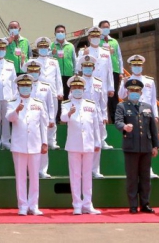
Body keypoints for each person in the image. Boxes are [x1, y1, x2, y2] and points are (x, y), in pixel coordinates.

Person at [114, 78, 159, 214]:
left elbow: (153, 129)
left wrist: (155, 146)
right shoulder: (122, 106)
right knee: (132, 178)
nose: (134, 93)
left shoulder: (147, 107)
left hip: (146, 146)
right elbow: (118, 121)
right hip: (131, 147)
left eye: (137, 91)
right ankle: (133, 205)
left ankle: (145, 204)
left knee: (145, 177)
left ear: (141, 92)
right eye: (132, 91)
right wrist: (124, 127)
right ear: (127, 92)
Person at [6, 75, 48, 215]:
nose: (25, 88)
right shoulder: (12, 102)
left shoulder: (38, 103)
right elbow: (9, 118)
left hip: (35, 144)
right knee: (20, 177)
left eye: (27, 85)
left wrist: (44, 142)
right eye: (22, 85)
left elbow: (43, 124)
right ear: (18, 87)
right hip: (19, 144)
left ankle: (34, 205)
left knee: (35, 177)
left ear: (31, 87)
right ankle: (22, 205)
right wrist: (16, 110)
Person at [61, 76, 102, 215]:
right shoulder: (66, 104)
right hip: (74, 144)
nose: (77, 90)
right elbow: (62, 119)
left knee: (87, 175)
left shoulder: (91, 104)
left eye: (79, 88)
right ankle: (77, 204)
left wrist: (98, 141)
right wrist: (69, 113)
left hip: (89, 143)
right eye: (74, 88)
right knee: (75, 175)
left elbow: (96, 125)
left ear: (84, 89)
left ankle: (88, 204)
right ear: (70, 90)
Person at [118, 54, 159, 178]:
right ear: (130, 66)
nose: (137, 67)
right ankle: (134, 170)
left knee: (148, 141)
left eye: (139, 65)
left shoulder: (149, 81)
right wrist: (123, 83)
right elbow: (121, 95)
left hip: (147, 114)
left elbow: (153, 100)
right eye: (134, 65)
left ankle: (149, 169)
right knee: (135, 141)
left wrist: (155, 115)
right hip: (131, 113)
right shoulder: (127, 80)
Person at [25, 59, 57, 178]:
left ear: (39, 72)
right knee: (29, 145)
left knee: (43, 144)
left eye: (36, 71)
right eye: (31, 71)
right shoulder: (23, 86)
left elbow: (51, 104)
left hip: (43, 119)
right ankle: (30, 170)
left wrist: (52, 119)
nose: (34, 73)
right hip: (29, 119)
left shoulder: (46, 87)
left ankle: (42, 170)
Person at [33, 36, 64, 151]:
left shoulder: (54, 61)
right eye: (41, 47)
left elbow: (58, 78)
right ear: (37, 48)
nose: (43, 49)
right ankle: (40, 140)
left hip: (53, 92)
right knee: (38, 116)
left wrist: (60, 91)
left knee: (52, 117)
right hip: (38, 92)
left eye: (45, 47)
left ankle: (52, 141)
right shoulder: (33, 62)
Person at [0, 38, 18, 150]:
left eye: (3, 48)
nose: (1, 50)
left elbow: (14, 81)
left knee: (6, 119)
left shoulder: (10, 64)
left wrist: (14, 96)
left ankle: (6, 140)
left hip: (7, 96)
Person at [98, 20, 124, 123]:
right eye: (103, 27)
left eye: (107, 27)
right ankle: (102, 120)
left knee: (113, 96)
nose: (106, 29)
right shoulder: (97, 41)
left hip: (114, 71)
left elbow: (119, 57)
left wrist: (121, 72)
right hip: (102, 72)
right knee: (102, 95)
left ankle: (115, 120)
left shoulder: (114, 41)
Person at [50, 25, 78, 101]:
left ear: (65, 33)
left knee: (67, 97)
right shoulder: (51, 45)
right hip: (56, 76)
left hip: (69, 75)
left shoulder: (70, 46)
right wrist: (52, 53)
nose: (60, 33)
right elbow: (47, 58)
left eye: (62, 32)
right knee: (57, 97)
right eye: (58, 32)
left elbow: (74, 60)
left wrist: (76, 72)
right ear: (55, 33)